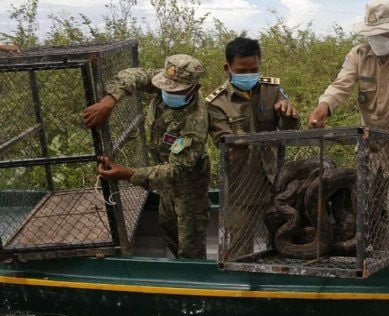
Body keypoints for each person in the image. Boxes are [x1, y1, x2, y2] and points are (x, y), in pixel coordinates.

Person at [307, 0, 389, 261]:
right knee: (368, 208)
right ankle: (375, 262)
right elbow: (340, 85)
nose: (378, 39)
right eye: (373, 34)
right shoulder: (358, 55)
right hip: (369, 148)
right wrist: (324, 107)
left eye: (384, 34)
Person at [83, 54, 210, 259]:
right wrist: (109, 101)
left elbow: (177, 169)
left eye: (174, 90)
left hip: (188, 182)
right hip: (164, 178)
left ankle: (194, 281)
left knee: (189, 238)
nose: (167, 91)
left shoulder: (195, 121)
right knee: (168, 224)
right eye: (165, 86)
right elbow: (135, 75)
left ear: (193, 88)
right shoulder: (166, 84)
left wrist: (128, 174)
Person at [207, 37, 300, 258]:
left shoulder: (272, 89)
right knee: (239, 247)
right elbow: (224, 139)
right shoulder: (216, 103)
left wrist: (287, 113)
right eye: (242, 70)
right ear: (227, 68)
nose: (249, 74)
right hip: (241, 182)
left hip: (275, 179)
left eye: (254, 69)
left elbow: (290, 128)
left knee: (284, 239)